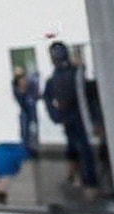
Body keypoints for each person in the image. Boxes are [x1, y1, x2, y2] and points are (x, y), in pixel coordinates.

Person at [42, 40, 98, 203]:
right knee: (75, 147)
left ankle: (88, 182)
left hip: (77, 117)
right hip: (71, 117)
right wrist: (55, 115)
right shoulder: (59, 76)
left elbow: (87, 97)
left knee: (82, 149)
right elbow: (48, 97)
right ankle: (79, 178)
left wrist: (93, 120)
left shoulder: (73, 74)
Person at [12, 64, 40, 155]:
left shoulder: (30, 83)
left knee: (33, 129)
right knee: (25, 129)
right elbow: (18, 97)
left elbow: (36, 94)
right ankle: (26, 148)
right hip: (25, 110)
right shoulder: (15, 85)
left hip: (30, 109)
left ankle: (32, 148)